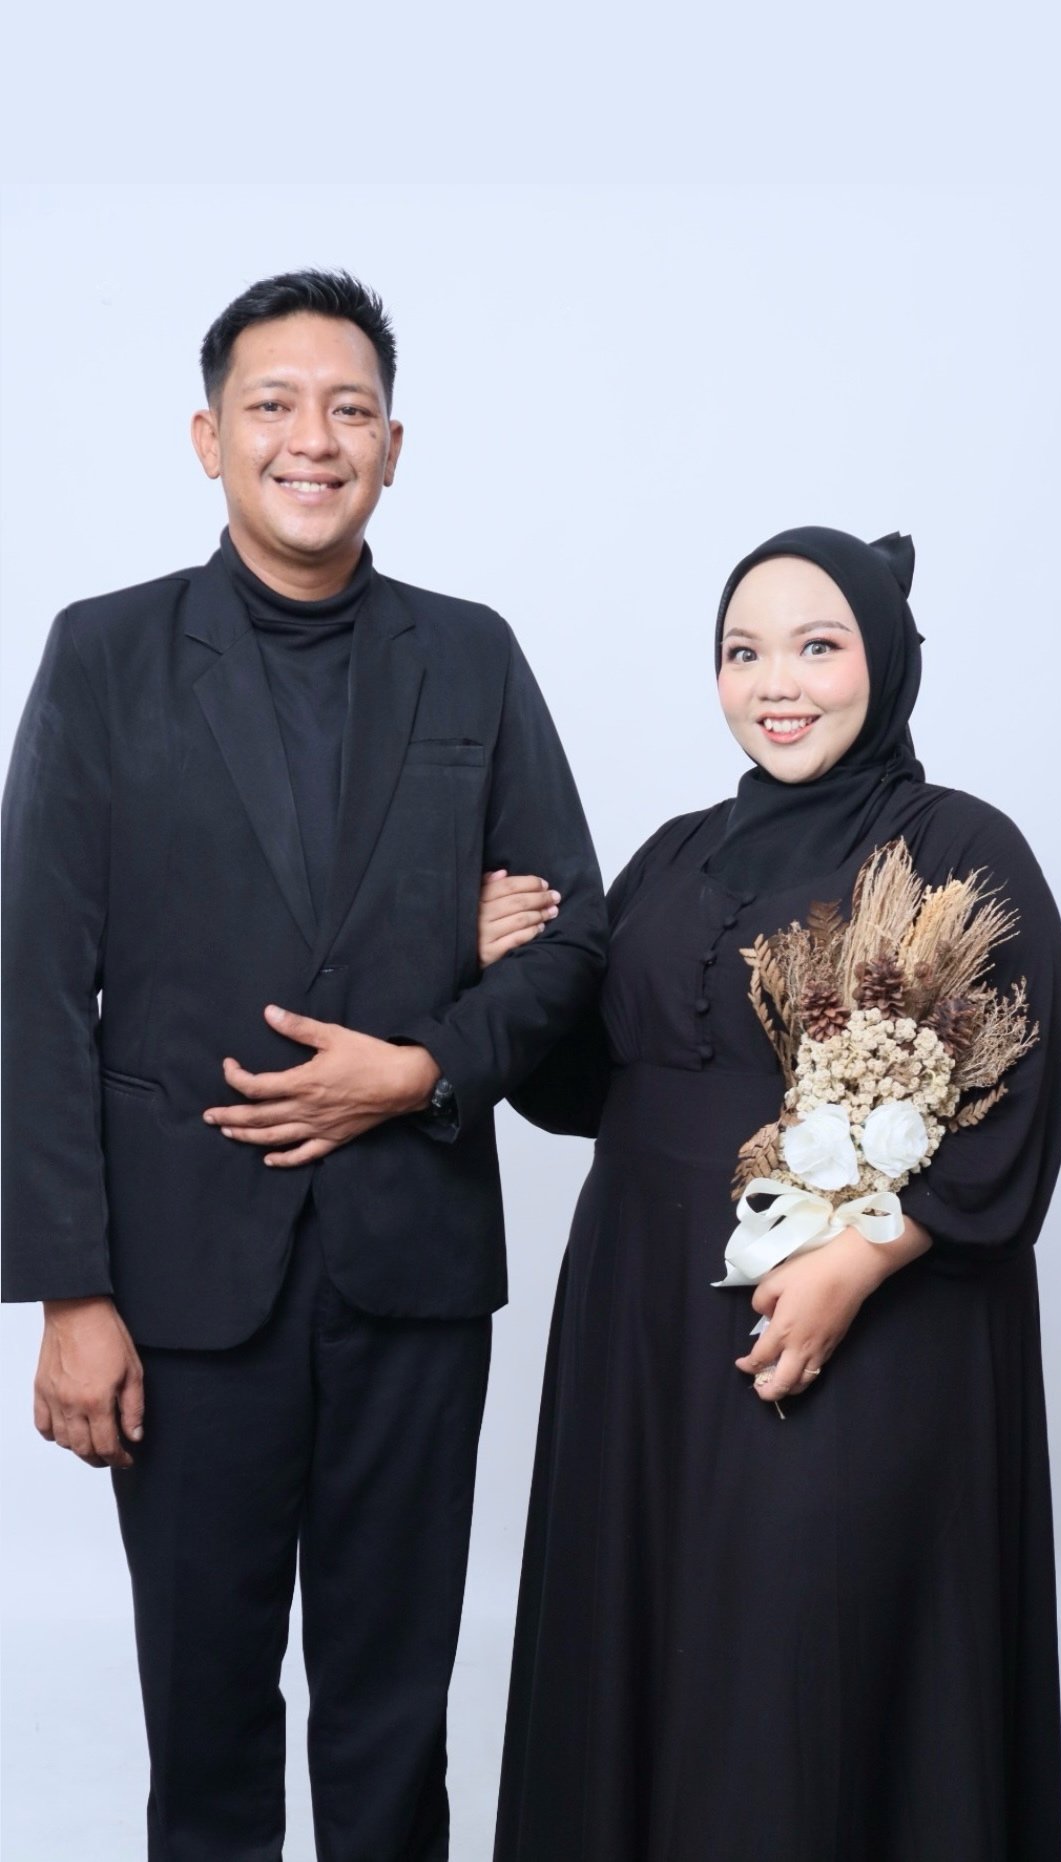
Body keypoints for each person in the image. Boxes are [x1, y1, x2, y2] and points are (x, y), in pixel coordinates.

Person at [1, 268, 606, 1860]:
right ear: (209, 437)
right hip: (180, 1285)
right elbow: (34, 987)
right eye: (273, 404)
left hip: (413, 1273)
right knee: (204, 1725)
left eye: (350, 408)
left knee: (394, 1721)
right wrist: (70, 1293)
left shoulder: (472, 657)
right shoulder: (105, 654)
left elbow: (574, 940)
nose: (312, 439)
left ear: (394, 446)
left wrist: (422, 1067)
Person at [482, 528, 1061, 1860]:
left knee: (801, 1669)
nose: (775, 683)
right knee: (653, 1649)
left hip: (854, 1341)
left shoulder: (958, 846)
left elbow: (1021, 1096)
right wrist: (505, 965)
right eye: (743, 652)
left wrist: (860, 1263)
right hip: (645, 1336)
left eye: (817, 646)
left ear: (888, 660)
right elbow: (587, 1080)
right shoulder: (675, 850)